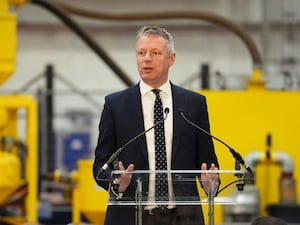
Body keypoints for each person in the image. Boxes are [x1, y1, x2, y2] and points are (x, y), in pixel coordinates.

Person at [93, 25, 219, 225]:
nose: (147, 58)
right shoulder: (115, 105)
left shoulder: (194, 104)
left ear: (172, 58)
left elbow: (208, 162)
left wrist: (210, 182)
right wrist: (116, 181)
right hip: (132, 215)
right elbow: (100, 166)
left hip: (183, 217)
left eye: (155, 53)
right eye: (141, 53)